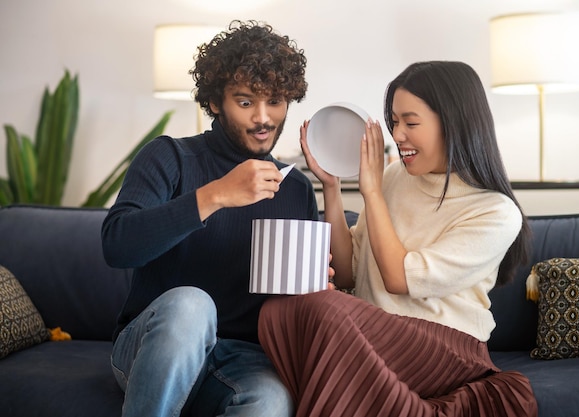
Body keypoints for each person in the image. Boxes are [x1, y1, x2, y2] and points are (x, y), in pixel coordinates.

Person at [258, 61, 538, 416]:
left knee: (320, 309)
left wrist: (371, 191)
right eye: (394, 122)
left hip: (447, 346)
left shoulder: (496, 212)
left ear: (452, 123)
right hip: (376, 336)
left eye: (411, 122)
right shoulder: (394, 177)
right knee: (276, 311)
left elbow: (397, 278)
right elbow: (347, 272)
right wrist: (331, 185)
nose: (398, 135)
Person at [101, 20, 316, 417]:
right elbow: (117, 245)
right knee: (192, 305)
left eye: (276, 101)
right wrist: (215, 195)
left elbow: (296, 303)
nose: (264, 118)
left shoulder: (297, 188)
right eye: (247, 101)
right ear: (216, 102)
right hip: (152, 347)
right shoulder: (169, 157)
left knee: (271, 401)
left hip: (242, 360)